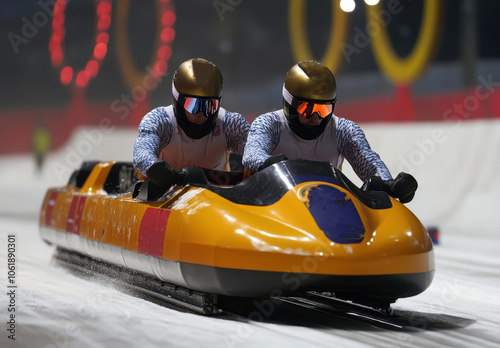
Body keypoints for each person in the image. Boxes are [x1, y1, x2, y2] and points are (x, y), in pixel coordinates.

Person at [242, 60, 417, 203]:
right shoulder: (269, 123)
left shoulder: (344, 130)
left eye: (323, 110)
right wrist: (268, 163)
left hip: (324, 208)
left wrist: (389, 184)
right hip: (270, 205)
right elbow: (252, 154)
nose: (316, 118)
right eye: (307, 109)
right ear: (290, 105)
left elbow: (368, 162)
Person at [133, 58, 250, 191]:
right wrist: (154, 168)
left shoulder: (230, 124)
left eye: (209, 106)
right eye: (193, 105)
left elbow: (255, 152)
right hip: (158, 198)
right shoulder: (159, 120)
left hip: (213, 202)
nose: (201, 114)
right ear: (178, 101)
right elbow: (142, 154)